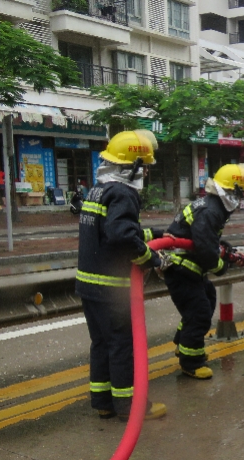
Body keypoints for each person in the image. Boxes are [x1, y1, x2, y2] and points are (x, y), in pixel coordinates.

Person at [76, 130, 168, 422]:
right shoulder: (124, 192)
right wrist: (151, 258)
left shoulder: (98, 190)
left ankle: (103, 402)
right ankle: (129, 406)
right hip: (112, 289)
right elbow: (120, 235)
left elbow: (112, 230)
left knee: (101, 344)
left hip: (89, 286)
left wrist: (154, 235)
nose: (147, 172)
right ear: (133, 166)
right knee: (122, 346)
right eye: (146, 166)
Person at [162, 164, 244, 380]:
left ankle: (183, 343)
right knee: (199, 312)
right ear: (233, 190)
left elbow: (206, 238)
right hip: (181, 268)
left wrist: (225, 248)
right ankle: (191, 362)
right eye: (242, 193)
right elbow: (205, 250)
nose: (243, 198)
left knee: (208, 297)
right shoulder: (212, 210)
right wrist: (222, 266)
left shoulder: (213, 206)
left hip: (189, 268)